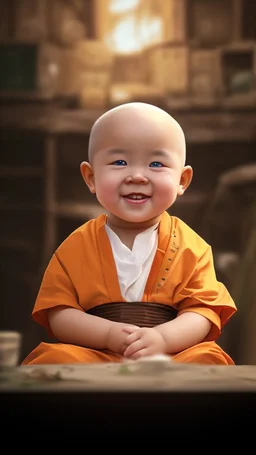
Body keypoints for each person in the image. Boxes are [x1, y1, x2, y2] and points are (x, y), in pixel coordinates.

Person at [22, 102, 237, 366]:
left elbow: (203, 312)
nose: (137, 176)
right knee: (54, 358)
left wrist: (164, 338)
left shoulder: (192, 247)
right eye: (120, 162)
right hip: (94, 353)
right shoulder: (77, 245)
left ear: (182, 180)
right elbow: (58, 313)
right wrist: (108, 334)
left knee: (208, 358)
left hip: (171, 354)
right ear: (91, 177)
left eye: (156, 163)